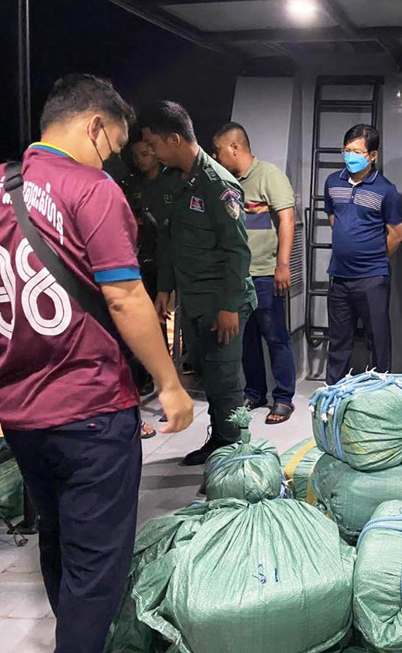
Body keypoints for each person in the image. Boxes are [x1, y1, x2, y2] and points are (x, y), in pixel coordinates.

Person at [0, 74, 193, 653]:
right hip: (90, 405)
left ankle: (75, 637)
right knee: (98, 566)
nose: (112, 159)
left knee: (59, 537)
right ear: (95, 126)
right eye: (113, 144)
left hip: (20, 411)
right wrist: (169, 383)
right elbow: (124, 297)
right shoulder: (92, 190)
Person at [139, 101, 257, 465]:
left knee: (226, 384)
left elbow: (237, 251)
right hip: (192, 301)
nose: (151, 152)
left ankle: (236, 459)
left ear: (174, 139)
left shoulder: (217, 183)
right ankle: (219, 441)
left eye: (153, 144)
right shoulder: (174, 182)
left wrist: (228, 306)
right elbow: (169, 239)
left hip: (222, 303)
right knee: (208, 377)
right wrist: (164, 288)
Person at [213, 122, 297, 423]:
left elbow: (287, 220)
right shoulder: (227, 181)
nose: (216, 156)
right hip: (238, 275)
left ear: (234, 147)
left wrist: (282, 265)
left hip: (265, 273)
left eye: (219, 150)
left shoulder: (268, 176)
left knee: (275, 335)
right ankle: (254, 392)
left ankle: (283, 398)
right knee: (246, 338)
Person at [323, 124, 402, 385]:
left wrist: (373, 258)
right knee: (338, 339)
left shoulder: (385, 189)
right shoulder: (332, 182)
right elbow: (334, 218)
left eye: (357, 152)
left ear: (372, 155)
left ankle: (380, 390)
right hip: (339, 277)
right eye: (347, 150)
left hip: (372, 278)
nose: (350, 156)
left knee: (378, 338)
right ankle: (334, 391)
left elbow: (396, 234)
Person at [123, 133, 176, 437]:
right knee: (137, 328)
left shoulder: (172, 183)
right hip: (136, 264)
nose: (141, 160)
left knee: (158, 324)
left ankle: (167, 386)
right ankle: (144, 380)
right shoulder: (132, 186)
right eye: (136, 155)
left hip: (165, 263)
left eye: (145, 153)